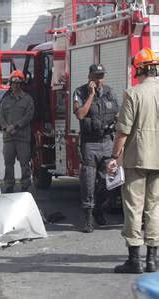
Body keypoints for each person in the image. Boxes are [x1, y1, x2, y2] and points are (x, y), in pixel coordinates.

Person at [107, 48, 159, 274]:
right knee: (154, 209)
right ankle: (153, 260)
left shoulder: (133, 94)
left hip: (136, 158)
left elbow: (123, 132)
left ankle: (134, 261)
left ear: (139, 69)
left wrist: (114, 157)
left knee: (133, 208)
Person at [73, 64, 119, 233]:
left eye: (101, 76)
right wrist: (91, 95)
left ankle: (99, 207)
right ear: (89, 76)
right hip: (89, 144)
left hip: (107, 142)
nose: (99, 80)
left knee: (108, 183)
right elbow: (80, 115)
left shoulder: (110, 92)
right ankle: (88, 218)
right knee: (88, 182)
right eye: (96, 76)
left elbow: (118, 114)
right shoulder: (80, 92)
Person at [0, 69, 34, 193]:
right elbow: (0, 116)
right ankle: (9, 185)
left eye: (18, 83)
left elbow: (29, 116)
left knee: (24, 163)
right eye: (14, 83)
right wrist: (6, 127)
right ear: (10, 84)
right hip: (8, 137)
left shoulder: (28, 99)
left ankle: (25, 186)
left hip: (22, 137)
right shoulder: (5, 100)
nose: (16, 85)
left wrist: (16, 126)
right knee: (8, 163)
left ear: (22, 84)